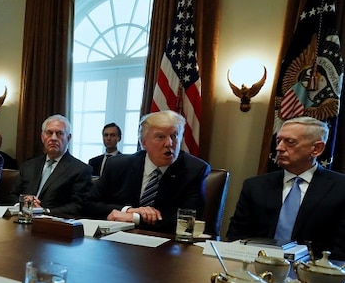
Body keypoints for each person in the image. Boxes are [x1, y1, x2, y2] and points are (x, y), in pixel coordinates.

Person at [227, 117, 345, 259]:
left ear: (317, 149)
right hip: (255, 267)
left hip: (314, 273)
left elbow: (341, 249)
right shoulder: (254, 186)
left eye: (290, 142)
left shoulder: (340, 188)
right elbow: (236, 236)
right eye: (278, 141)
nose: (279, 148)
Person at [83, 110, 210, 232]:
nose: (169, 143)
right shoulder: (118, 165)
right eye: (160, 137)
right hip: (117, 242)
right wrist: (127, 210)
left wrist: (136, 218)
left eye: (174, 136)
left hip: (167, 246)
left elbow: (189, 220)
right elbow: (88, 204)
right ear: (143, 143)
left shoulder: (194, 170)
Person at [11, 114, 92, 217]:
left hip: (53, 225)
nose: (53, 138)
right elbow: (12, 195)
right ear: (42, 137)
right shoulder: (28, 166)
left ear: (68, 138)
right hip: (22, 220)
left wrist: (45, 211)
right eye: (49, 133)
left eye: (59, 134)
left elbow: (78, 207)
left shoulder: (80, 170)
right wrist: (23, 203)